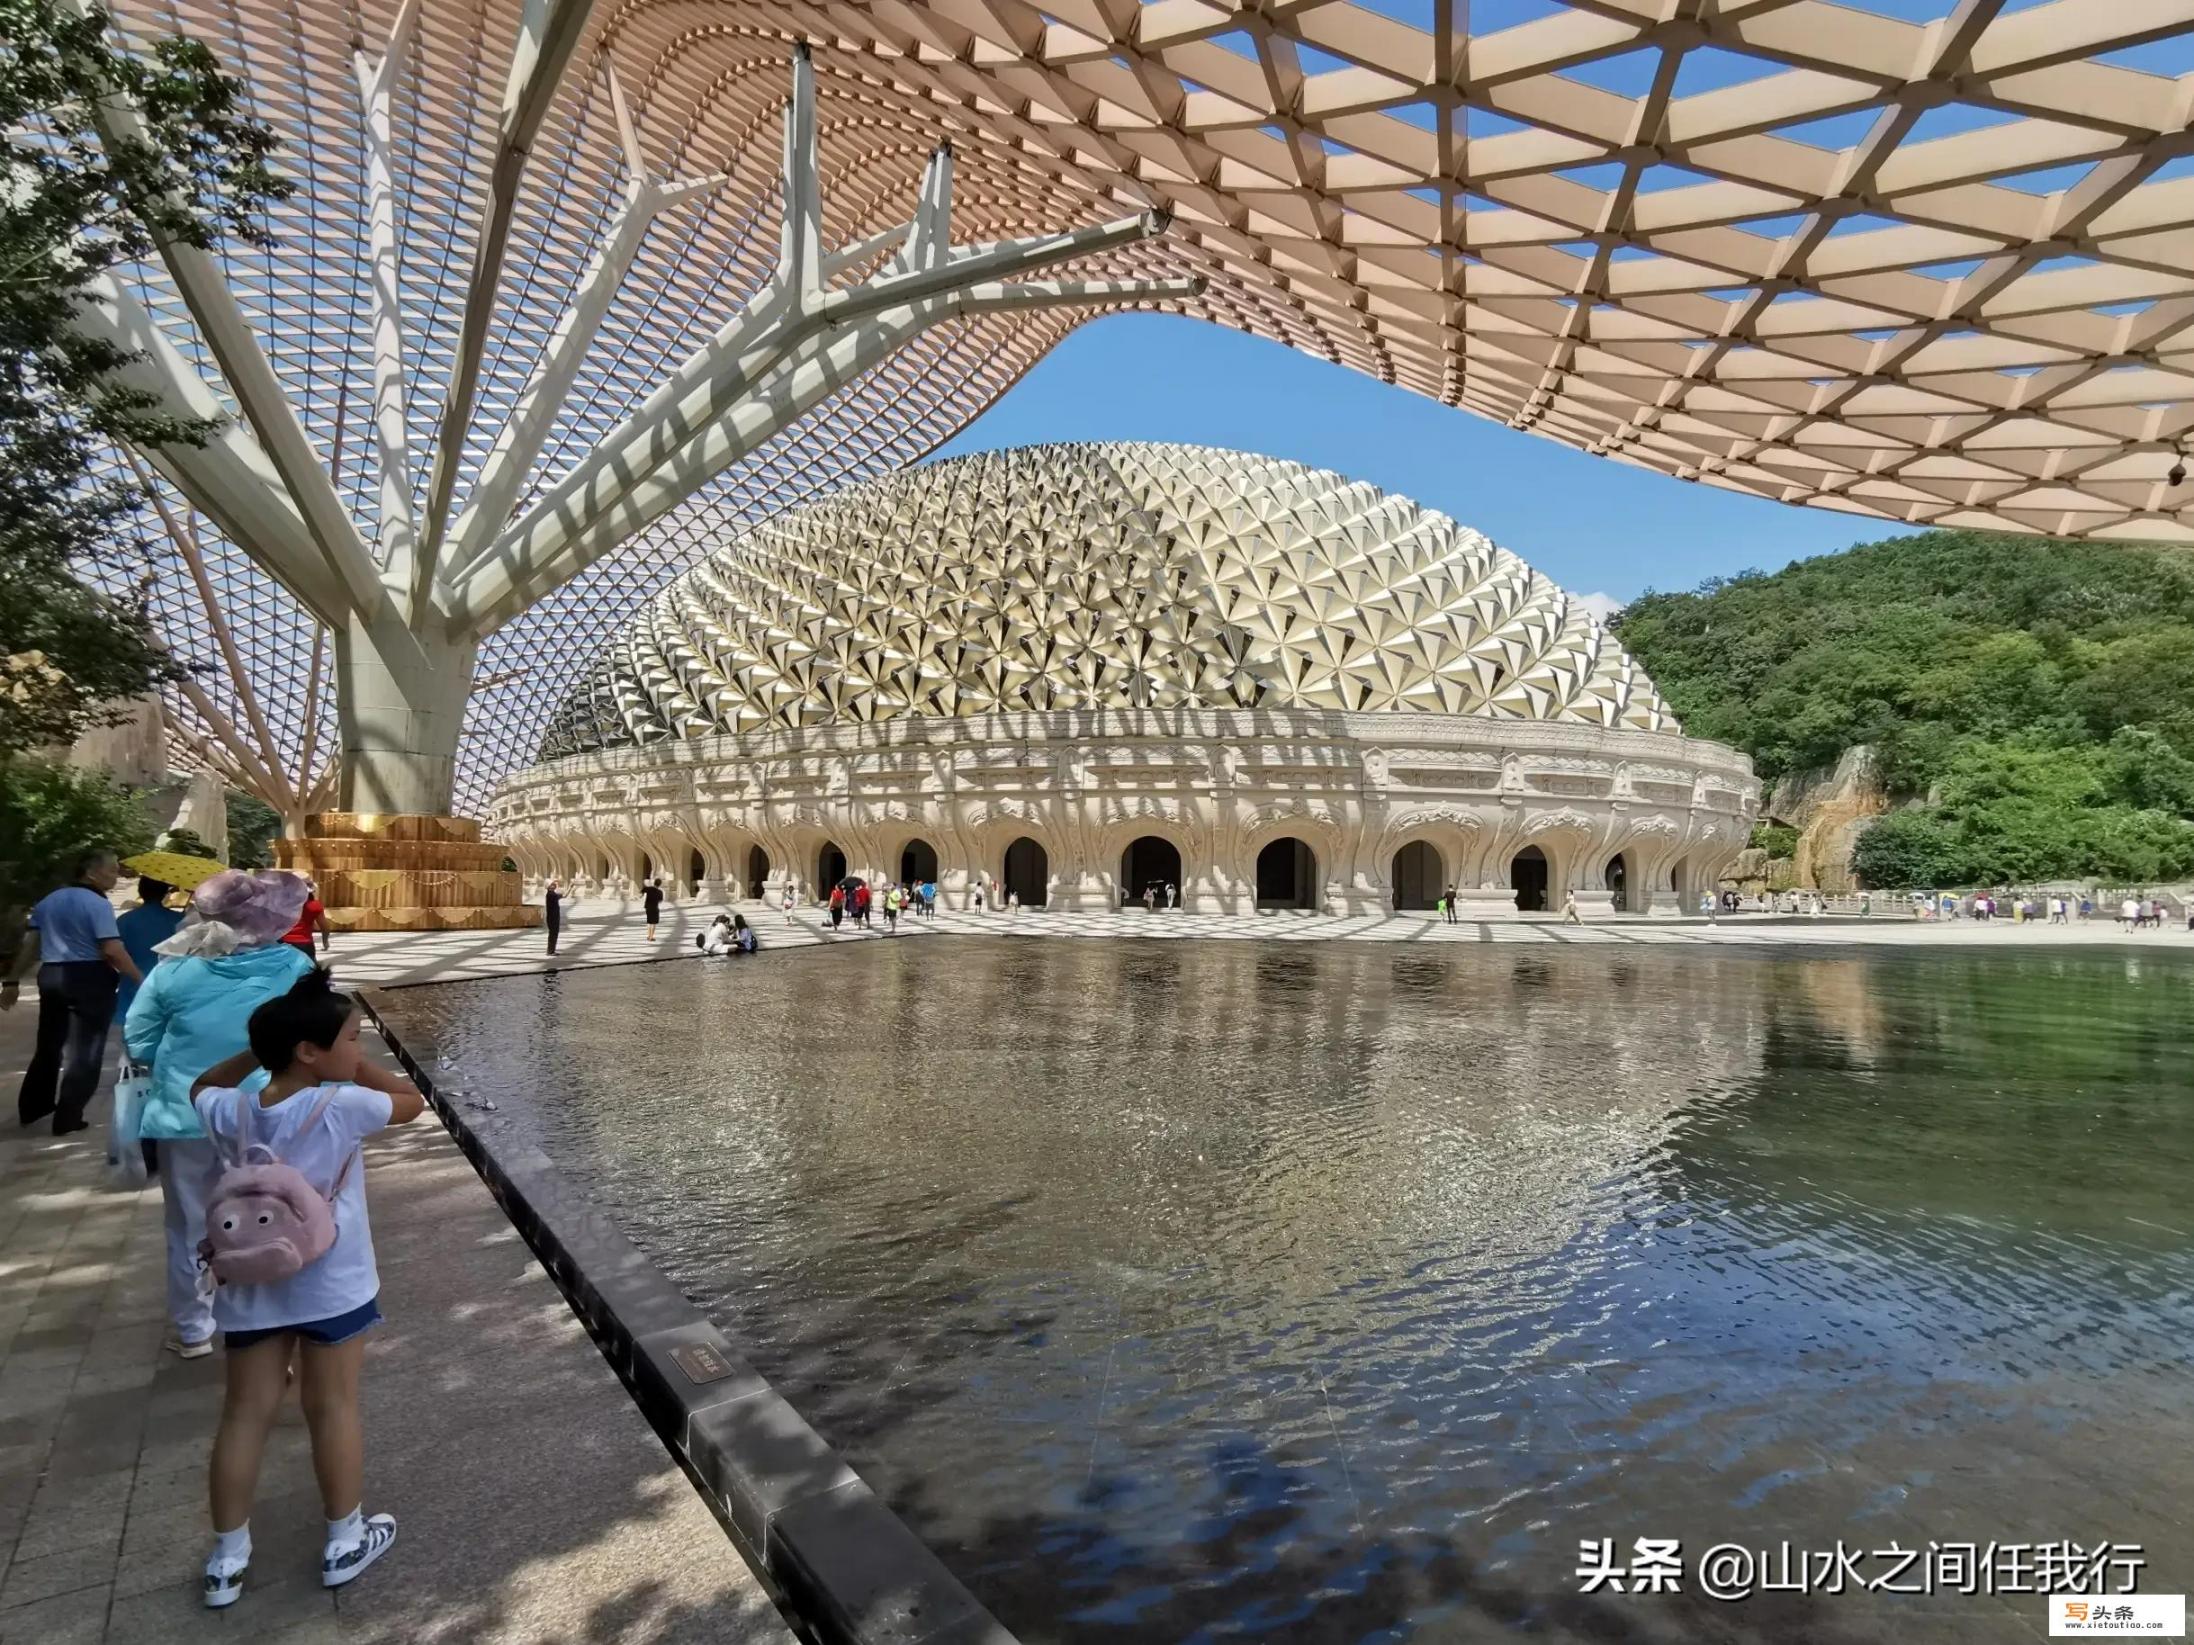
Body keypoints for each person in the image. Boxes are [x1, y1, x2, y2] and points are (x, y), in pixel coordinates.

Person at [189, 970, 426, 1609]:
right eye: (351, 1037)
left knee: (243, 1414)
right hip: (333, 1284)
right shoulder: (341, 1106)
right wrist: (359, 1069)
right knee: (333, 1406)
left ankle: (227, 1560)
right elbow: (410, 1103)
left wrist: (260, 1048)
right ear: (309, 1052)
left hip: (252, 1288)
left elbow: (201, 1084)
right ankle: (345, 1539)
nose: (358, 1048)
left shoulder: (231, 1109)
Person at [123, 870, 317, 1360]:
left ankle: (193, 1330)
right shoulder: (292, 966)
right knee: (270, 1213)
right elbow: (313, 1034)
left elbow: (139, 1036)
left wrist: (175, 1059)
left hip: (185, 1114)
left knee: (189, 1221)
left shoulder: (173, 969)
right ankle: (267, 1317)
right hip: (265, 1113)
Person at [5, 847, 143, 1135]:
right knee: (86, 1051)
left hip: (51, 975)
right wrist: (140, 979)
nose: (116, 875)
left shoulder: (49, 900)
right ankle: (68, 1116)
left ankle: (33, 1106)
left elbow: (31, 945)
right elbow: (112, 949)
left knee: (48, 1045)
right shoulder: (97, 904)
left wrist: (12, 981)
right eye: (112, 869)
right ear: (91, 872)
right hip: (89, 977)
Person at [281, 883, 330, 961]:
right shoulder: (315, 905)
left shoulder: (281, 904)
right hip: (304, 944)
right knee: (308, 970)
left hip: (284, 943)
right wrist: (325, 942)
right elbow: (325, 928)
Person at [543, 878, 564, 955]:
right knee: (553, 934)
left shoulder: (552, 894)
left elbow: (564, 895)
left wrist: (571, 887)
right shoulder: (551, 894)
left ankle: (551, 950)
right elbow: (562, 894)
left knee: (553, 933)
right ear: (548, 886)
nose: (554, 885)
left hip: (554, 916)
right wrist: (558, 884)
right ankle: (550, 951)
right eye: (552, 884)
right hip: (553, 917)